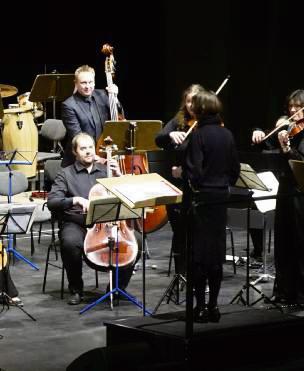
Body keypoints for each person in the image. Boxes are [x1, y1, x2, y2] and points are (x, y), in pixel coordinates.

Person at [252, 89, 304, 307]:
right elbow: (267, 143)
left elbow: (300, 161)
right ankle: (285, 291)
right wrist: (258, 133)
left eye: (297, 107)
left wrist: (285, 147)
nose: (293, 111)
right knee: (283, 242)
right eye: (290, 107)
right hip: (285, 191)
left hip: (302, 193)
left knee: (301, 244)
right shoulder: (289, 130)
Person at [47, 133, 139, 305]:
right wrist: (75, 199)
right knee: (70, 242)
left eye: (90, 147)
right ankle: (76, 289)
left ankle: (116, 288)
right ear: (75, 152)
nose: (88, 152)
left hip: (106, 223)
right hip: (77, 222)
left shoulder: (106, 172)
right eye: (83, 148)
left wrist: (118, 175)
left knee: (136, 242)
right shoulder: (65, 174)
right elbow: (52, 201)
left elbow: (128, 194)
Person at [182, 90, 240, 322]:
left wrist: (192, 180)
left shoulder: (198, 135)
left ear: (199, 110)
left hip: (202, 199)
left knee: (198, 255)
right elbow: (235, 170)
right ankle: (215, 307)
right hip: (220, 199)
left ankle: (200, 307)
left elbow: (194, 170)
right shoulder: (227, 135)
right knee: (216, 254)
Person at [155, 84, 206, 276]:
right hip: (177, 186)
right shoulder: (179, 120)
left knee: (197, 232)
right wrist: (170, 134)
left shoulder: (208, 123)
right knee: (180, 231)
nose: (191, 105)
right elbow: (158, 139)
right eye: (188, 100)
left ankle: (199, 275)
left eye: (195, 100)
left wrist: (185, 170)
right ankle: (181, 275)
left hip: (199, 186)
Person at [61, 65, 121, 167]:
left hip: (104, 154)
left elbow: (119, 118)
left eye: (90, 82)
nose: (88, 86)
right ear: (76, 83)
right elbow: (78, 138)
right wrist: (96, 158)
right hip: (80, 160)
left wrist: (114, 98)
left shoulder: (103, 95)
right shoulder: (69, 105)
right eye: (83, 83)